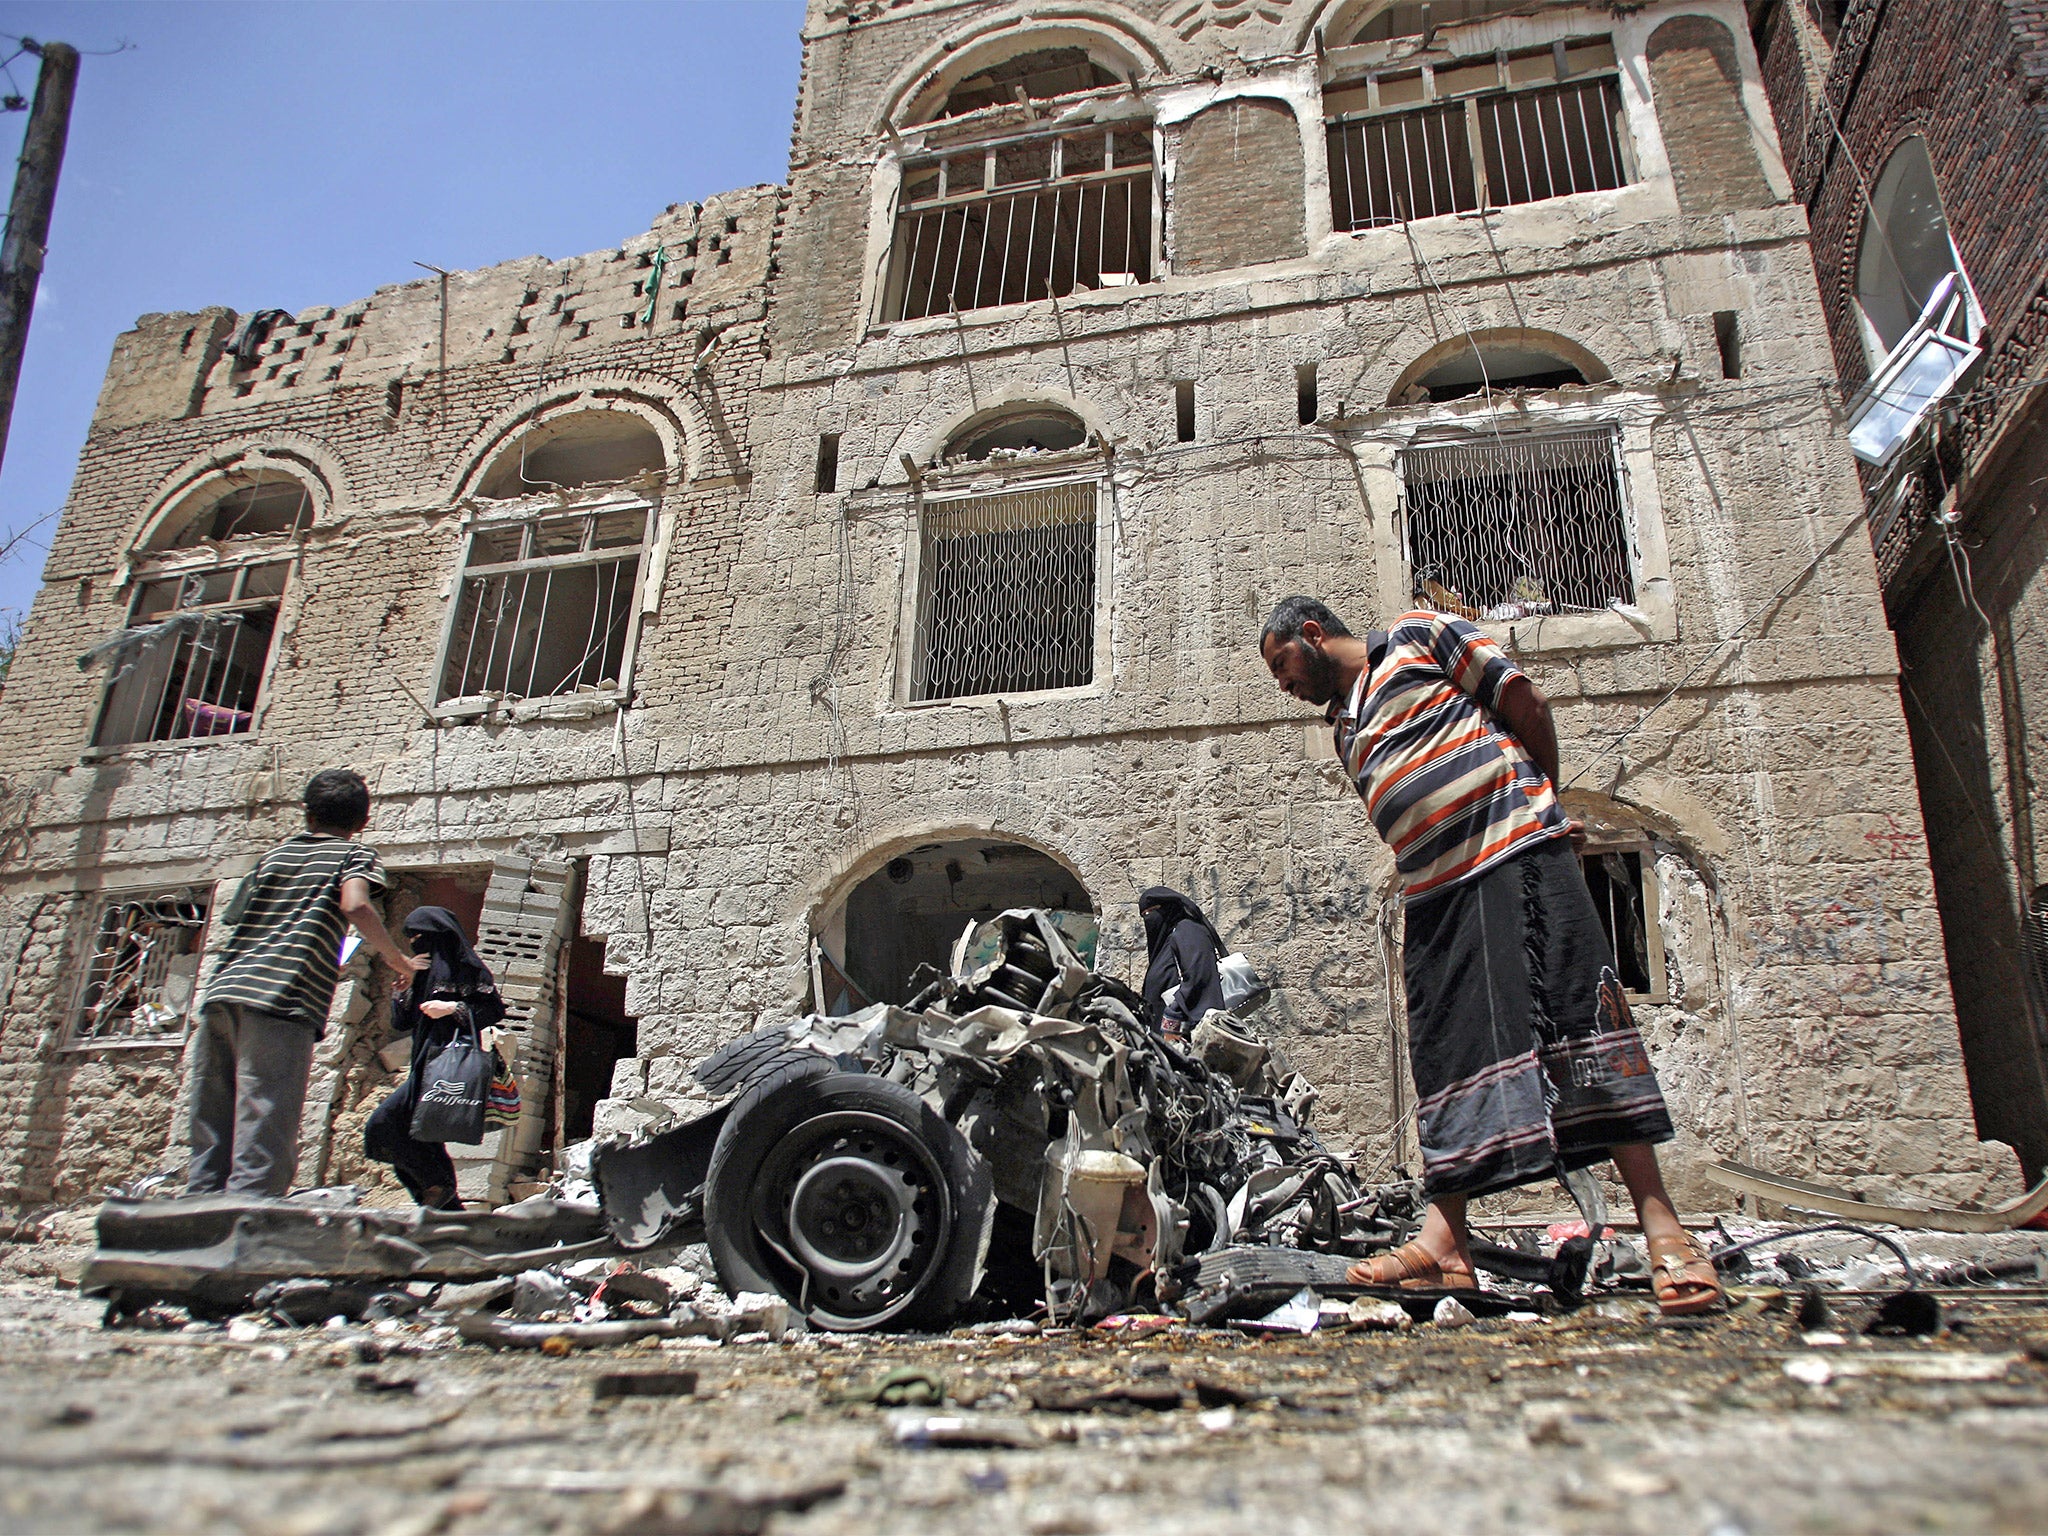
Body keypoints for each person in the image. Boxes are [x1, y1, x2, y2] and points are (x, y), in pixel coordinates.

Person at [1258, 597, 1721, 1315]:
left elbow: (1523, 702)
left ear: (1312, 634)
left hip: (1516, 851)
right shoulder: (1344, 730)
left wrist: (1542, 802)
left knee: (1582, 1018)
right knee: (1446, 1053)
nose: (1282, 685)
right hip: (1434, 895)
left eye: (1282, 664)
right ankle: (1447, 1245)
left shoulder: (1418, 636)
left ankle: (1665, 1230)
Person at [188, 769, 427, 1197]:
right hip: (283, 997)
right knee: (265, 1115)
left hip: (225, 991)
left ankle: (196, 1212)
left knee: (212, 1116)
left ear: (307, 815)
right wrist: (398, 960)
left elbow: (236, 918)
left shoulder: (273, 857)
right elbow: (355, 904)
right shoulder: (353, 857)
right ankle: (249, 1222)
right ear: (361, 823)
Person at [364, 906, 506, 1210]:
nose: (415, 943)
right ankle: (443, 1206)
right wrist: (402, 991)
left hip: (446, 1063)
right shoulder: (422, 974)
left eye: (420, 936)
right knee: (417, 1133)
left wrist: (451, 1008)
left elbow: (494, 1010)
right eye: (411, 938)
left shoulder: (468, 970)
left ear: (439, 937)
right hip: (422, 1063)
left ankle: (438, 1189)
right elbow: (402, 1023)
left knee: (385, 1123)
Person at [1139, 887, 1227, 1039]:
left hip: (1188, 1038)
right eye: (1144, 916)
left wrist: (1171, 1020)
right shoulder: (1168, 941)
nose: (1148, 919)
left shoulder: (1188, 932)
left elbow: (1198, 980)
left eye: (1149, 913)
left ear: (1167, 908)